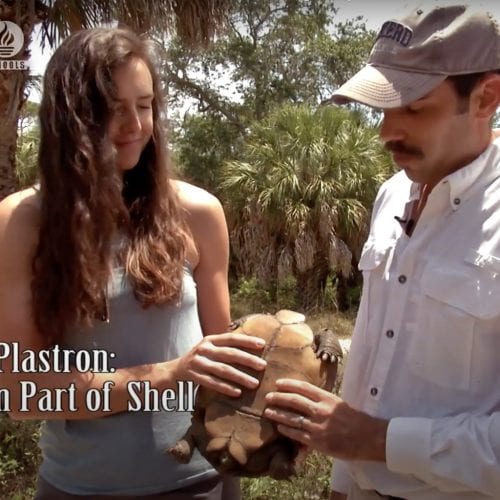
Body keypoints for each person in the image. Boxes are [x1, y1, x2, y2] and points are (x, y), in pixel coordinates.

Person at [0, 27, 268, 499]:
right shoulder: (21, 223)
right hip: (79, 489)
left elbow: (226, 372)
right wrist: (170, 375)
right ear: (70, 116)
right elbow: (23, 392)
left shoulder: (199, 212)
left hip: (203, 482)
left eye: (143, 105)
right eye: (111, 107)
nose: (134, 125)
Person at [262, 3, 500, 499]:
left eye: (413, 108)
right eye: (384, 108)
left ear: (486, 97)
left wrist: (377, 441)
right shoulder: (393, 193)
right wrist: (345, 479)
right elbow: (374, 358)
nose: (386, 131)